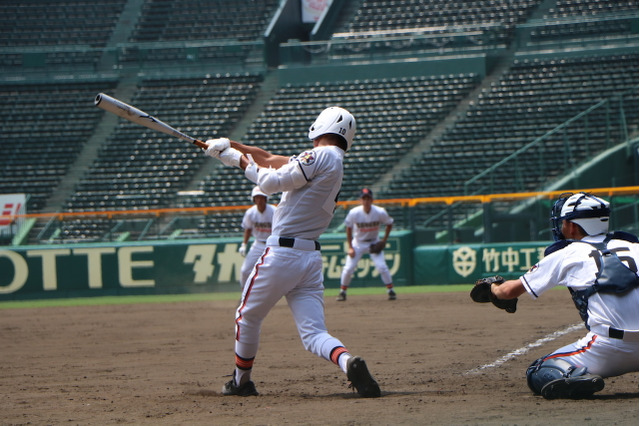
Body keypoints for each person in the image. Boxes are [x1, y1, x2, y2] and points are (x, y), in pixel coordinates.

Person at [203, 106, 381, 398]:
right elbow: (273, 160)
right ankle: (348, 362)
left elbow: (269, 182)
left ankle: (241, 381)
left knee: (246, 317)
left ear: (320, 127)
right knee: (313, 334)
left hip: (282, 254)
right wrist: (232, 146)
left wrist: (238, 160)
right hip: (309, 260)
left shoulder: (320, 155)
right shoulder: (333, 160)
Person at [481, 192, 638, 399]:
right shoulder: (635, 247)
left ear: (572, 226)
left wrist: (492, 287)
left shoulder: (567, 253)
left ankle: (575, 378)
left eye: (563, 222)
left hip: (607, 351)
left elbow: (507, 292)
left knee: (538, 371)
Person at [337, 188, 396, 301]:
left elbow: (389, 223)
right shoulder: (354, 212)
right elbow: (348, 228)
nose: (366, 201)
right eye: (364, 198)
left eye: (368, 198)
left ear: (372, 199)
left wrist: (383, 241)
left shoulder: (380, 212)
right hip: (358, 243)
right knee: (348, 268)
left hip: (374, 242)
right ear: (360, 200)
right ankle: (342, 292)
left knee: (382, 267)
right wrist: (350, 247)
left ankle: (390, 290)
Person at [238, 186, 275, 289]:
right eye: (257, 197)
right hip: (258, 244)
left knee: (274, 271)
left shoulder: (273, 211)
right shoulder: (251, 212)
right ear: (253, 199)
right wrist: (244, 244)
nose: (259, 200)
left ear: (266, 199)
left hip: (272, 245)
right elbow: (248, 229)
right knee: (245, 271)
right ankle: (244, 294)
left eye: (262, 197)